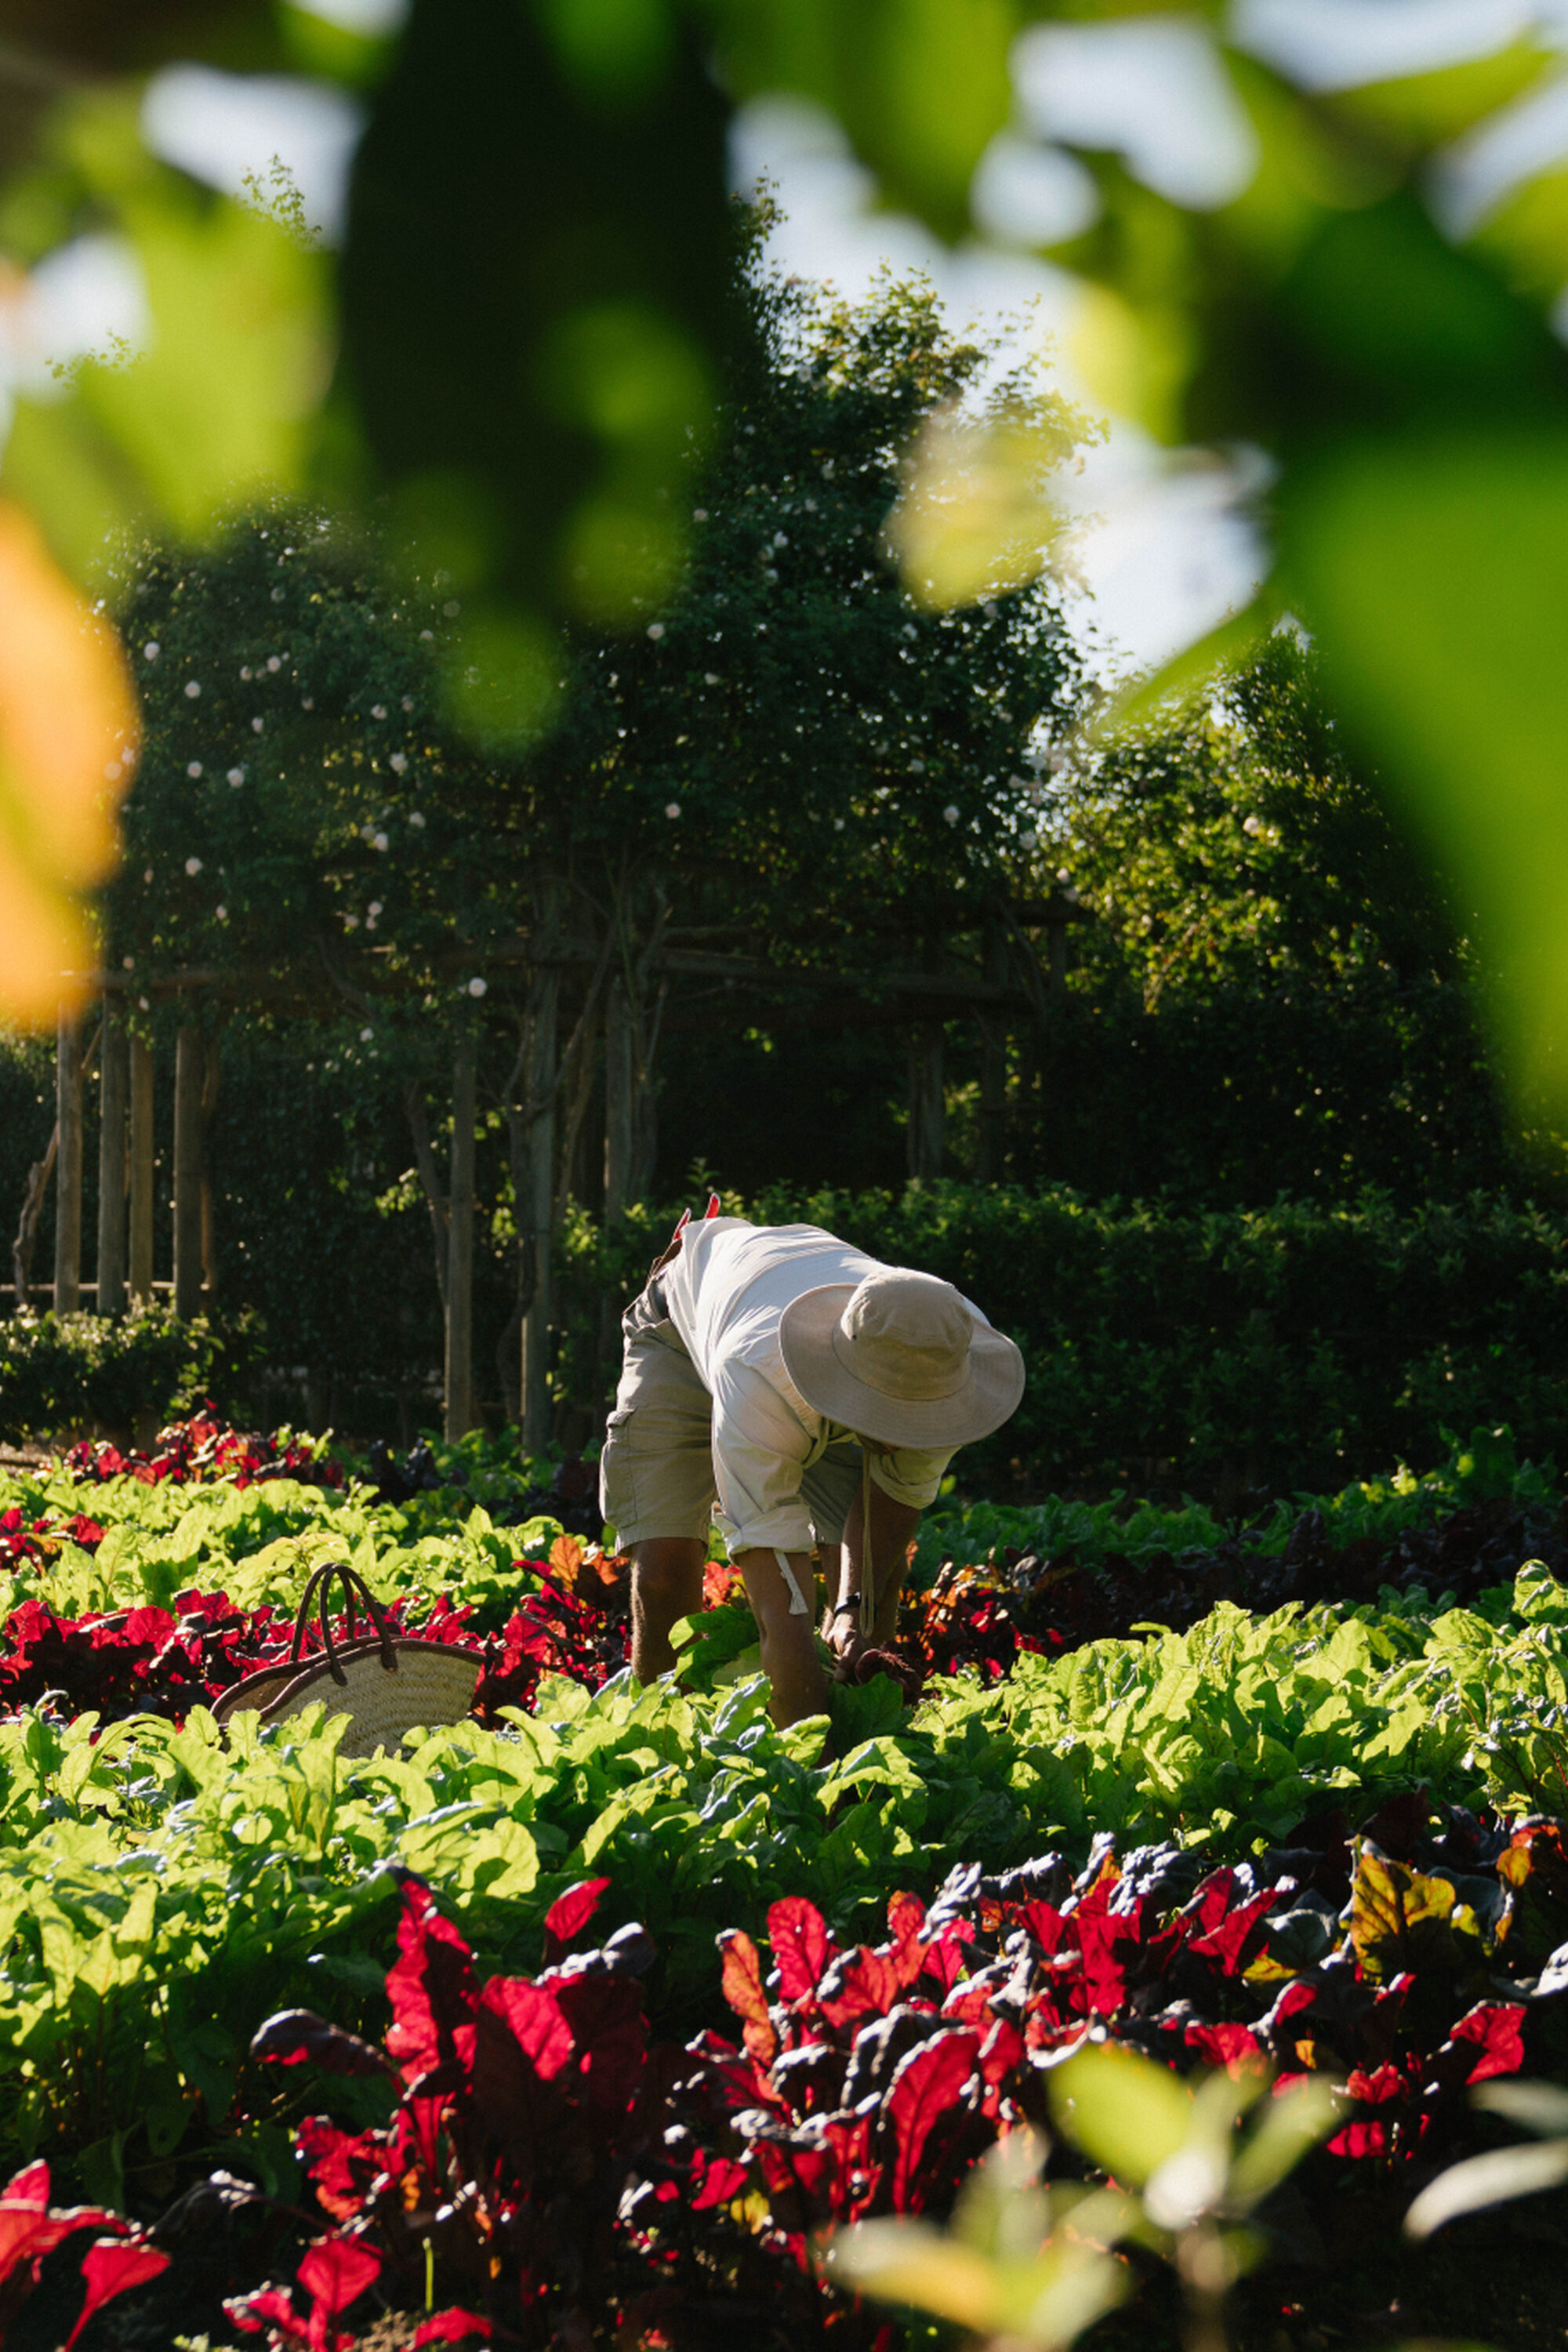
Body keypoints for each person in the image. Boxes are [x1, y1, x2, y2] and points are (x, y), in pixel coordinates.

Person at [599, 1208, 1025, 1726]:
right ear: (850, 1380)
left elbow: (886, 1517)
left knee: (877, 1591)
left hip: (782, 1312)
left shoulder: (940, 1354)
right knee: (664, 1574)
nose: (903, 1436)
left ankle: (858, 1728)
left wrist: (851, 1613)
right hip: (681, 1329)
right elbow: (779, 1607)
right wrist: (812, 1778)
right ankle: (659, 1750)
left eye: (917, 1419)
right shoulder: (761, 1378)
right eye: (890, 1415)